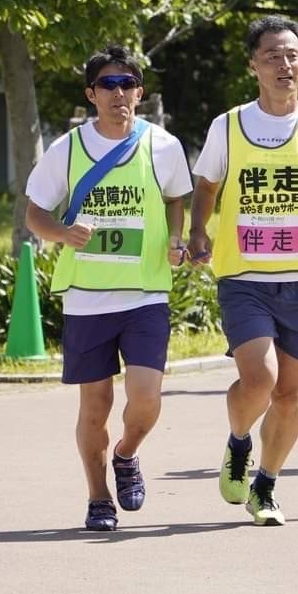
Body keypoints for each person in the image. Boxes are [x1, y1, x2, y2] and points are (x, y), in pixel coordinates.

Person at [189, 15, 298, 525]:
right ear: (254, 66)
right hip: (245, 278)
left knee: (289, 394)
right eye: (272, 56)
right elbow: (206, 187)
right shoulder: (229, 125)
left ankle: (265, 486)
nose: (284, 65)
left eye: (292, 55)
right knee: (259, 379)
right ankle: (239, 441)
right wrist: (199, 231)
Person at [25, 45, 192, 531]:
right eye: (108, 85)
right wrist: (62, 233)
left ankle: (127, 453)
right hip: (87, 298)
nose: (119, 93)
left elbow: (176, 199)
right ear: (91, 94)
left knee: (146, 398)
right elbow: (35, 211)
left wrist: (177, 239)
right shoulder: (69, 148)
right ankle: (98, 499)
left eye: (128, 84)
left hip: (144, 296)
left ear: (140, 92)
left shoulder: (163, 145)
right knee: (94, 406)